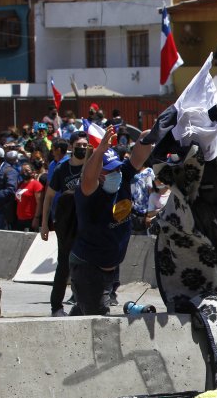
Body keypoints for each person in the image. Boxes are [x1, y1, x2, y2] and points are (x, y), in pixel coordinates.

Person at [69, 127, 150, 315]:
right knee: (97, 320)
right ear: (99, 173)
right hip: (89, 268)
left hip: (109, 268)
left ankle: (79, 309)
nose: (117, 172)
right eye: (110, 170)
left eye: (118, 168)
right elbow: (88, 177)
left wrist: (158, 129)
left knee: (87, 314)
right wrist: (99, 152)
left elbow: (142, 148)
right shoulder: (88, 193)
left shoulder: (123, 177)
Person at [40, 133, 89, 317]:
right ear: (71, 146)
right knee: (64, 265)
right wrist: (44, 224)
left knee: (86, 264)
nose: (82, 148)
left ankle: (82, 303)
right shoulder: (62, 169)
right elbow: (49, 197)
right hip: (66, 221)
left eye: (85, 145)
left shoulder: (92, 166)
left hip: (86, 220)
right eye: (78, 144)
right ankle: (56, 306)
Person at [14, 163, 43, 231]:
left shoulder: (36, 184)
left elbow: (39, 203)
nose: (24, 172)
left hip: (31, 219)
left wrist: (36, 218)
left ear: (33, 172)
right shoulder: (20, 184)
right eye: (22, 171)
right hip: (20, 219)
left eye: (27, 170)